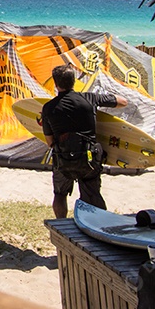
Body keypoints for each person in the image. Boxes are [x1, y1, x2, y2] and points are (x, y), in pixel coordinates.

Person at [42, 65, 127, 219]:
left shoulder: (48, 108)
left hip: (63, 160)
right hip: (89, 160)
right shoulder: (89, 98)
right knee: (93, 194)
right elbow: (122, 102)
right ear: (73, 81)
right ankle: (98, 226)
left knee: (60, 194)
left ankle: (61, 224)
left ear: (56, 84)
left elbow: (50, 142)